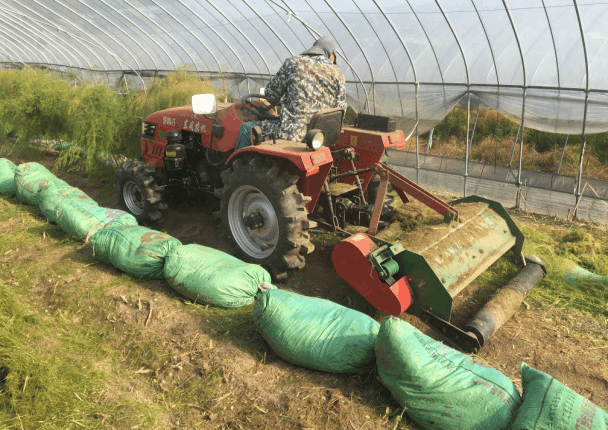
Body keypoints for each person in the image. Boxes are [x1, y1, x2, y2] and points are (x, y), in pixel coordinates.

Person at [236, 36, 347, 148]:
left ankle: (234, 164)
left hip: (289, 133)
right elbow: (340, 111)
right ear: (331, 55)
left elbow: (270, 95)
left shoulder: (292, 63)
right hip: (318, 139)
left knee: (247, 128)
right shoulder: (338, 75)